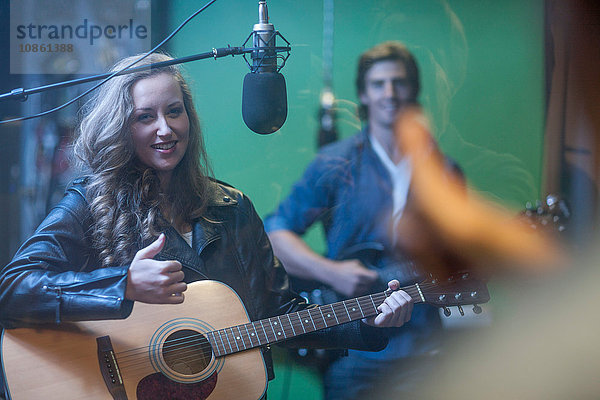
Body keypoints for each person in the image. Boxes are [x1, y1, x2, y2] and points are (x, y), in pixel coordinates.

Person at [0, 53, 414, 399]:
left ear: (189, 117)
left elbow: (280, 314)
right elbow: (12, 290)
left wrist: (367, 322)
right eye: (145, 116)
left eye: (174, 110)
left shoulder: (231, 208)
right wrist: (121, 285)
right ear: (122, 127)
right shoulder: (89, 203)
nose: (166, 128)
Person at [264, 41, 457, 399]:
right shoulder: (335, 163)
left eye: (399, 82)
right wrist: (330, 271)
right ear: (363, 95)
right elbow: (275, 232)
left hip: (423, 346)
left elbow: (456, 255)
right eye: (378, 84)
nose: (390, 93)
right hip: (352, 346)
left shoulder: (443, 171)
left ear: (413, 89)